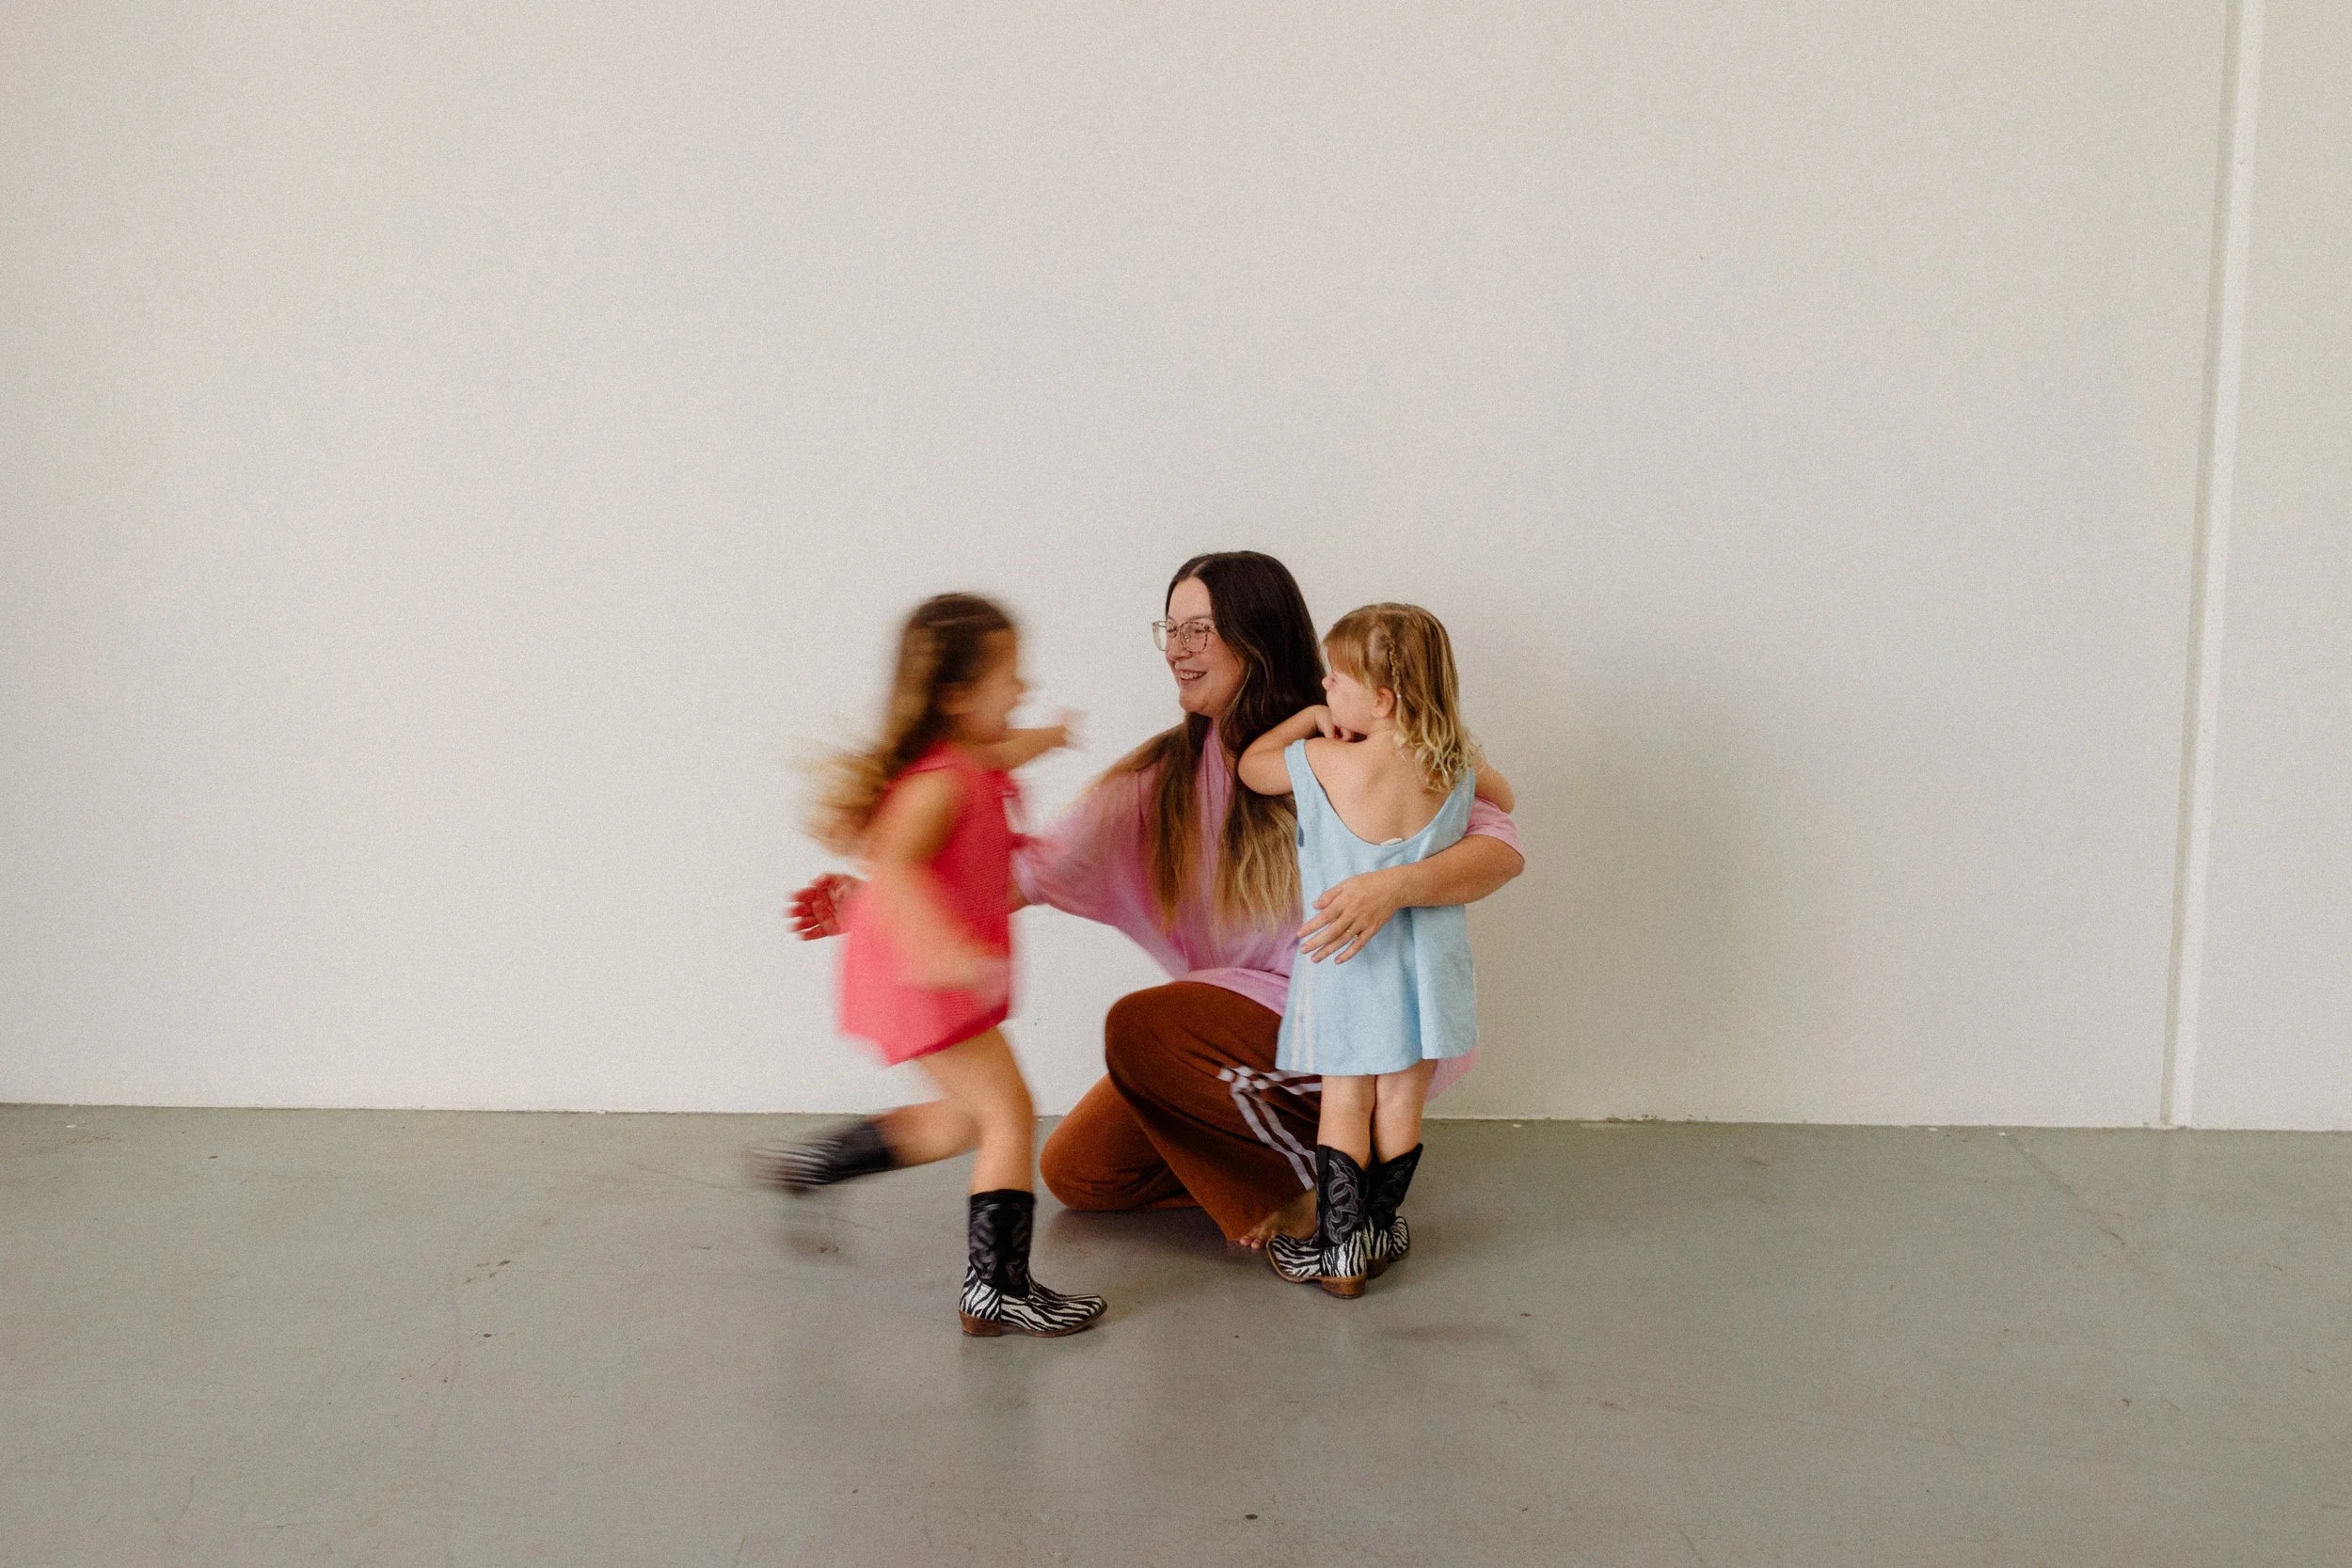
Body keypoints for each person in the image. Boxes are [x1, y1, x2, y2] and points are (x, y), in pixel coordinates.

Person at [788, 552, 1522, 1252]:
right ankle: (1306, 1162)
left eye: (1197, 629)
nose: (1176, 648)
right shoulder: (1158, 779)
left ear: (1256, 637)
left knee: (1141, 1025)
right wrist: (875, 903)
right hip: (1233, 1044)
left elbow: (1498, 844)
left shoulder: (1348, 740)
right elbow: (1024, 875)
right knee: (1080, 1170)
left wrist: (1390, 887)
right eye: (1169, 629)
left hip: (1341, 1016)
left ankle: (1306, 1205)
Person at [754, 593, 1105, 1338]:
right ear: (954, 695)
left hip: (912, 974)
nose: (1022, 688)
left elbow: (1007, 753)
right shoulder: (939, 783)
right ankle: (997, 1289)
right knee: (1009, 1110)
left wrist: (1051, 734)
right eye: (1009, 676)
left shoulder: (969, 759)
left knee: (956, 1122)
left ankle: (818, 1163)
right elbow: (897, 862)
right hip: (924, 977)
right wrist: (939, 949)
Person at [1236, 603, 1512, 1296]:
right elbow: (1505, 797)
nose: (1325, 688)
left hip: (1346, 958)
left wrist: (1304, 722)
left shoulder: (1326, 760)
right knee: (1399, 1100)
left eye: (1335, 678)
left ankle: (1338, 1253)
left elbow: (1251, 768)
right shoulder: (1453, 766)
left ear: (1381, 698)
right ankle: (1379, 1228)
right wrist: (1459, 749)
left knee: (1344, 1098)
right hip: (1427, 967)